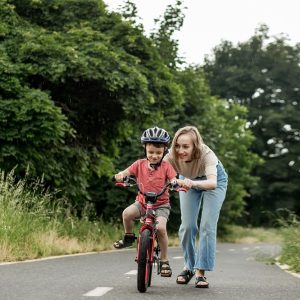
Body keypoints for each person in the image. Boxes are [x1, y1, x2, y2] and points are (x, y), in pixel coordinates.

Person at [164, 125, 228, 288]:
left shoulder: (207, 155)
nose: (180, 150)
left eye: (186, 146)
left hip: (214, 181)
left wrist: (192, 183)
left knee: (207, 226)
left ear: (195, 146)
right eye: (178, 146)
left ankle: (200, 272)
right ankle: (189, 267)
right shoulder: (171, 155)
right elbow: (157, 174)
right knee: (187, 226)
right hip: (187, 180)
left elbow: (212, 183)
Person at [113, 126, 177, 277]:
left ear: (164, 151)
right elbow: (126, 172)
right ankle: (128, 237)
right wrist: (120, 175)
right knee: (127, 213)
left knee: (160, 228)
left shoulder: (167, 167)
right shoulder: (139, 164)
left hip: (161, 205)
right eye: (151, 152)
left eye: (158, 153)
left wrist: (175, 182)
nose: (154, 156)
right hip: (142, 203)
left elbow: (173, 178)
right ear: (145, 150)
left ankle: (164, 260)